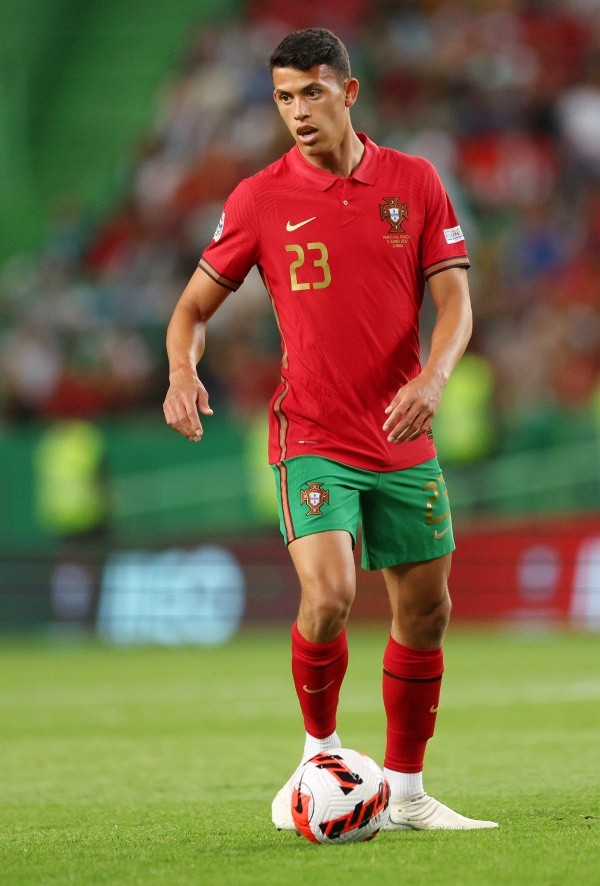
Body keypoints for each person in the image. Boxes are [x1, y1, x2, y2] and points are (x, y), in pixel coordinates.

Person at [163, 27, 498, 831]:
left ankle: (409, 795)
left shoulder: (414, 182)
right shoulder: (258, 198)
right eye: (283, 97)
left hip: (402, 430)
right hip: (313, 432)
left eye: (311, 92)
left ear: (348, 92)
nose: (297, 111)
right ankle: (321, 756)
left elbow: (455, 301)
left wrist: (434, 377)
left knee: (428, 613)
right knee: (331, 594)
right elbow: (191, 311)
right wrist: (182, 369)